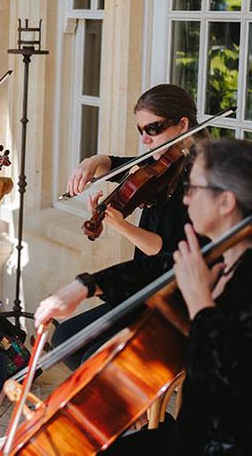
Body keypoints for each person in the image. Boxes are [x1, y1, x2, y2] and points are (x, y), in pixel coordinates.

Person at [34, 137, 252, 455]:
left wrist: (201, 307)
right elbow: (157, 269)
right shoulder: (219, 256)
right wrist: (83, 287)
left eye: (194, 189)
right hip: (192, 433)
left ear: (226, 202)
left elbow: (225, 385)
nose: (186, 199)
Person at [53, 84, 198, 369]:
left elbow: (171, 251)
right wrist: (91, 162)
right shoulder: (160, 163)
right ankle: (144, 417)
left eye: (153, 129)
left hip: (172, 301)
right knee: (65, 339)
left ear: (183, 124)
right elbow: (118, 164)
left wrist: (121, 226)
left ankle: (141, 413)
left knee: (93, 358)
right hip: (141, 289)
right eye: (140, 130)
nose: (145, 140)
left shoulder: (197, 180)